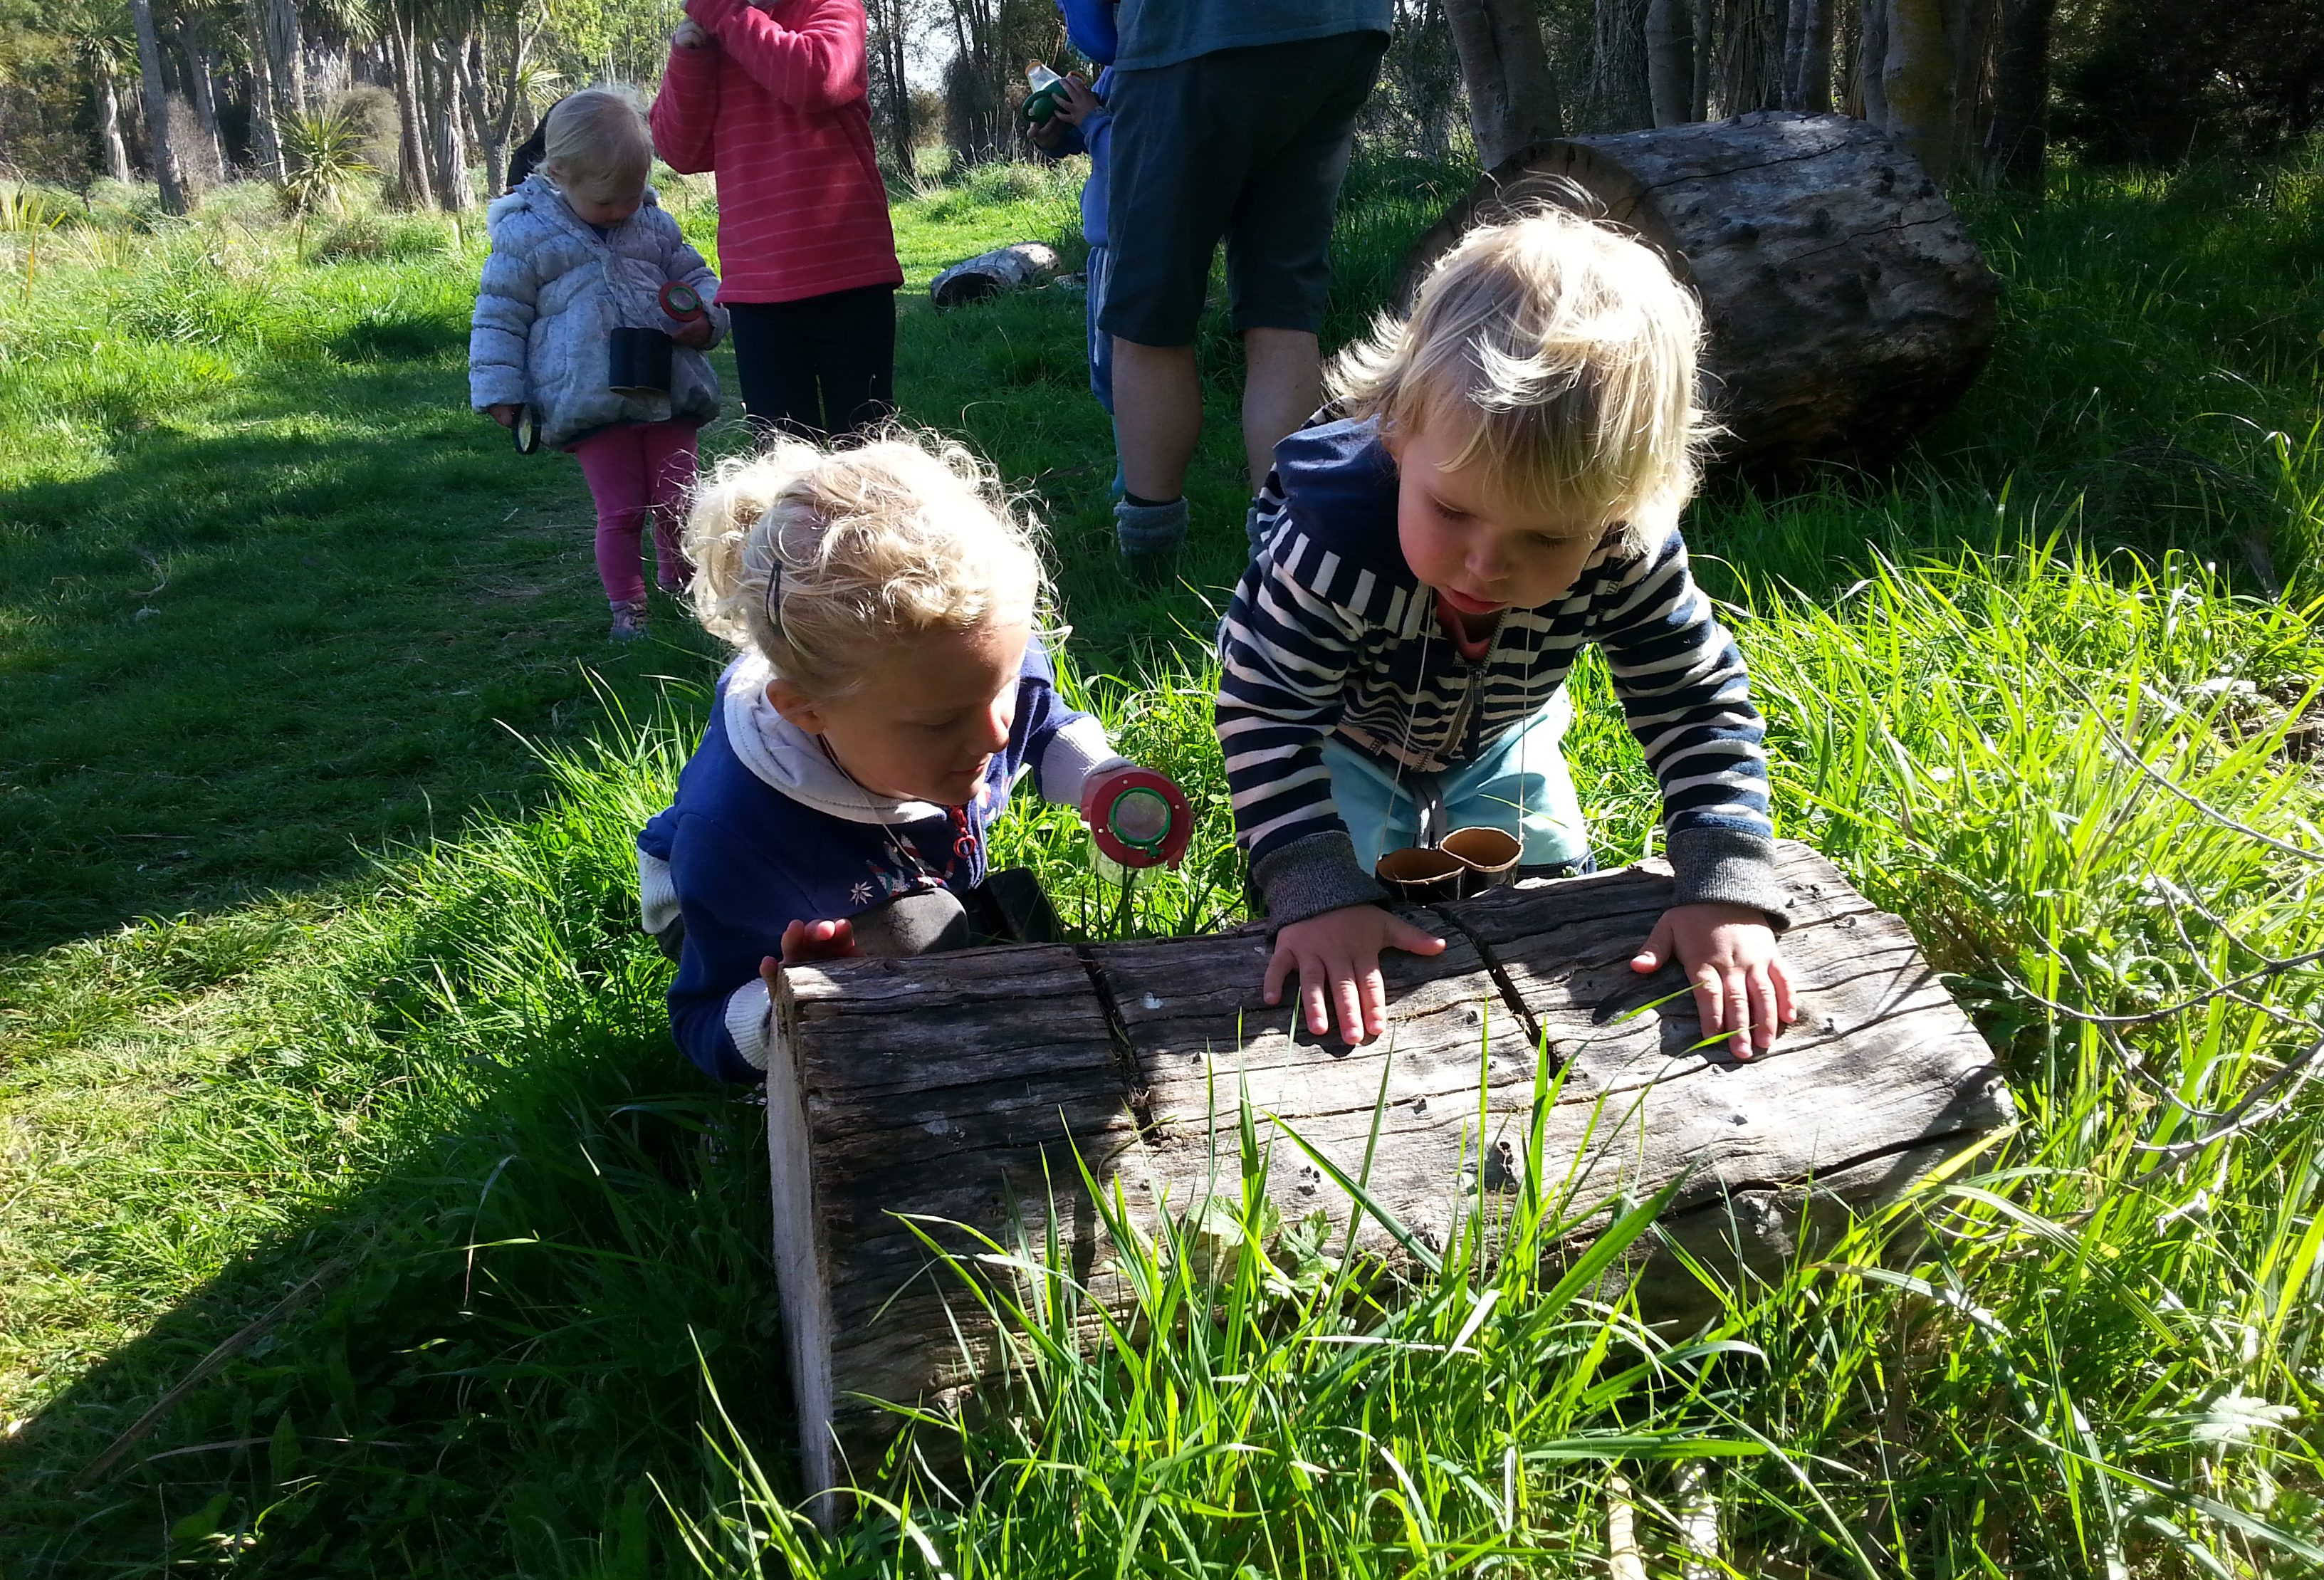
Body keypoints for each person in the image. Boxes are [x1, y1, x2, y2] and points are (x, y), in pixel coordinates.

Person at [1214, 209, 1797, 1059]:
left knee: (1544, 884)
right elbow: (1267, 715)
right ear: (1395, 428)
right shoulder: (1330, 551)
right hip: (1342, 732)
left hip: (1502, 726)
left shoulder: (1622, 547)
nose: (1487, 564)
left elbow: (1695, 700)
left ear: (1620, 505)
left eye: (1549, 537)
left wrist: (1725, 881)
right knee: (1352, 901)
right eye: (1452, 510)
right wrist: (1318, 888)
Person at [637, 434, 1183, 1084]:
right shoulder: (741, 840)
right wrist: (789, 997)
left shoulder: (968, 664)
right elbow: (700, 1019)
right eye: (939, 722)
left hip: (906, 857)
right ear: (807, 711)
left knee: (997, 940)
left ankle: (964, 913)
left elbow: (1043, 724)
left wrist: (1098, 777)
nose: (995, 734)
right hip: (751, 920)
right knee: (912, 938)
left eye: (1001, 686)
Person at [1101, 0, 1391, 582]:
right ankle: (1287, 555)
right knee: (1283, 305)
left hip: (1194, 28)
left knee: (1148, 309)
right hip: (1343, 29)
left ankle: (1149, 560)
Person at [469, 88, 727, 641]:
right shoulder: (525, 233)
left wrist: (704, 316)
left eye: (632, 195)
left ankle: (681, 591)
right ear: (559, 173)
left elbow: (700, 278)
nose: (622, 210)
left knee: (679, 499)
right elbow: (499, 314)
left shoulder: (654, 224)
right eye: (608, 201)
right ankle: (628, 611)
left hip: (669, 385)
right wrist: (500, 387)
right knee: (622, 509)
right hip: (586, 395)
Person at [651, 0, 904, 444]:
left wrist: (727, 16)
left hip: (849, 273)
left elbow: (817, 78)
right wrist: (689, 57)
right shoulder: (716, 38)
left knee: (865, 448)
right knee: (781, 456)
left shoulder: (833, 9)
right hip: (757, 288)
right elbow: (681, 151)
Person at [1030, 1, 1120, 488]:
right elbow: (1090, 136)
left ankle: (1138, 476)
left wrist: (1091, 121)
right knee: (1105, 371)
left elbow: (1127, 154)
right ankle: (1132, 459)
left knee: (1129, 371)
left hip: (1135, 244)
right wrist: (1058, 133)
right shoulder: (1113, 70)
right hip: (1105, 246)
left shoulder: (1152, 74)